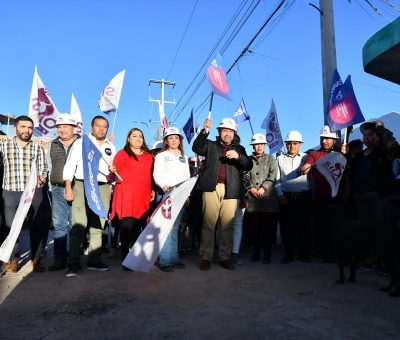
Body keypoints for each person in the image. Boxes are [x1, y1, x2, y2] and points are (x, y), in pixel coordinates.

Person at [192, 117, 252, 271]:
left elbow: (248, 164)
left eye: (230, 131)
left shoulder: (240, 149)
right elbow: (197, 148)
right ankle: (206, 257)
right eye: (224, 130)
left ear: (234, 133)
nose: (227, 134)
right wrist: (204, 132)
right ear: (219, 132)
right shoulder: (210, 145)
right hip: (211, 188)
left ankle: (225, 257)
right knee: (208, 224)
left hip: (231, 190)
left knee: (227, 226)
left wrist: (239, 157)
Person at [63, 116, 116, 277]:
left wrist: (112, 175)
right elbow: (71, 164)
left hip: (103, 187)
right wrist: (68, 187)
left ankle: (94, 260)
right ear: (91, 127)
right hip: (81, 184)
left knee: (98, 224)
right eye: (98, 126)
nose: (101, 129)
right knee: (79, 224)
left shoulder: (111, 147)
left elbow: (111, 174)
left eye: (104, 127)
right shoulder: (81, 143)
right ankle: (73, 263)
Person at [0, 115, 48, 273]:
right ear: (15, 128)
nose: (27, 130)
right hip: (10, 191)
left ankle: (36, 259)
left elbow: (43, 168)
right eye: (23, 127)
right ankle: (12, 260)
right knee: (10, 228)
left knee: (37, 226)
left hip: (33, 193)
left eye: (29, 127)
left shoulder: (37, 148)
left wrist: (42, 177)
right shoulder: (4, 147)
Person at [109, 128, 155, 268]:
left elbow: (151, 175)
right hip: (126, 196)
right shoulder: (122, 154)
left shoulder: (149, 156)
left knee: (137, 228)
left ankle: (134, 257)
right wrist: (112, 170)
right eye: (134, 136)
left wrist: (152, 188)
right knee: (126, 228)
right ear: (128, 139)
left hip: (143, 196)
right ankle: (125, 259)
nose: (138, 138)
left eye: (140, 136)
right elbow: (112, 173)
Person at [300, 125, 342, 262]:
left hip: (336, 197)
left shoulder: (339, 154)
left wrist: (345, 155)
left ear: (334, 140)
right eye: (323, 138)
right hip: (319, 197)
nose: (324, 141)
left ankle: (337, 255)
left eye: (328, 139)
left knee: (336, 227)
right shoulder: (314, 154)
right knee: (321, 227)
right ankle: (324, 254)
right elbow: (304, 169)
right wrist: (305, 168)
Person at [153, 127, 190, 272]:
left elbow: (187, 177)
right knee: (166, 227)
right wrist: (163, 185)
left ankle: (174, 258)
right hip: (167, 193)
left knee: (175, 227)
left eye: (176, 137)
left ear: (180, 140)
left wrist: (187, 195)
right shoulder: (161, 156)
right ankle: (164, 260)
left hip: (181, 193)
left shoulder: (184, 157)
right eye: (170, 138)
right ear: (166, 141)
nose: (174, 140)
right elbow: (157, 174)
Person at [47, 114, 81, 271]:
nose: (62, 129)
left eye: (65, 126)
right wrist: (49, 185)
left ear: (73, 128)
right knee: (59, 225)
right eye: (59, 127)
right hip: (57, 189)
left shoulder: (82, 144)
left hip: (77, 188)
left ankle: (75, 259)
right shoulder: (52, 144)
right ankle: (59, 259)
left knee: (76, 225)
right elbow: (49, 166)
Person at [275, 131, 311, 263]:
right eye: (289, 143)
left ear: (300, 144)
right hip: (286, 198)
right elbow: (277, 180)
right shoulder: (279, 159)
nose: (292, 146)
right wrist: (280, 195)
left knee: (304, 226)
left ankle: (303, 254)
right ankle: (288, 254)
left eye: (295, 143)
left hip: (303, 197)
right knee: (286, 227)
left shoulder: (307, 158)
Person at [244, 133, 279, 264]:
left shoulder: (271, 158)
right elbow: (245, 175)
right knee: (255, 228)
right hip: (253, 200)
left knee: (267, 229)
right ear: (253, 145)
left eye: (261, 144)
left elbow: (273, 174)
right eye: (256, 144)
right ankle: (256, 253)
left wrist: (263, 188)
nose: (259, 146)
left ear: (264, 145)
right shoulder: (247, 160)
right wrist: (251, 188)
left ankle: (267, 255)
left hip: (268, 199)